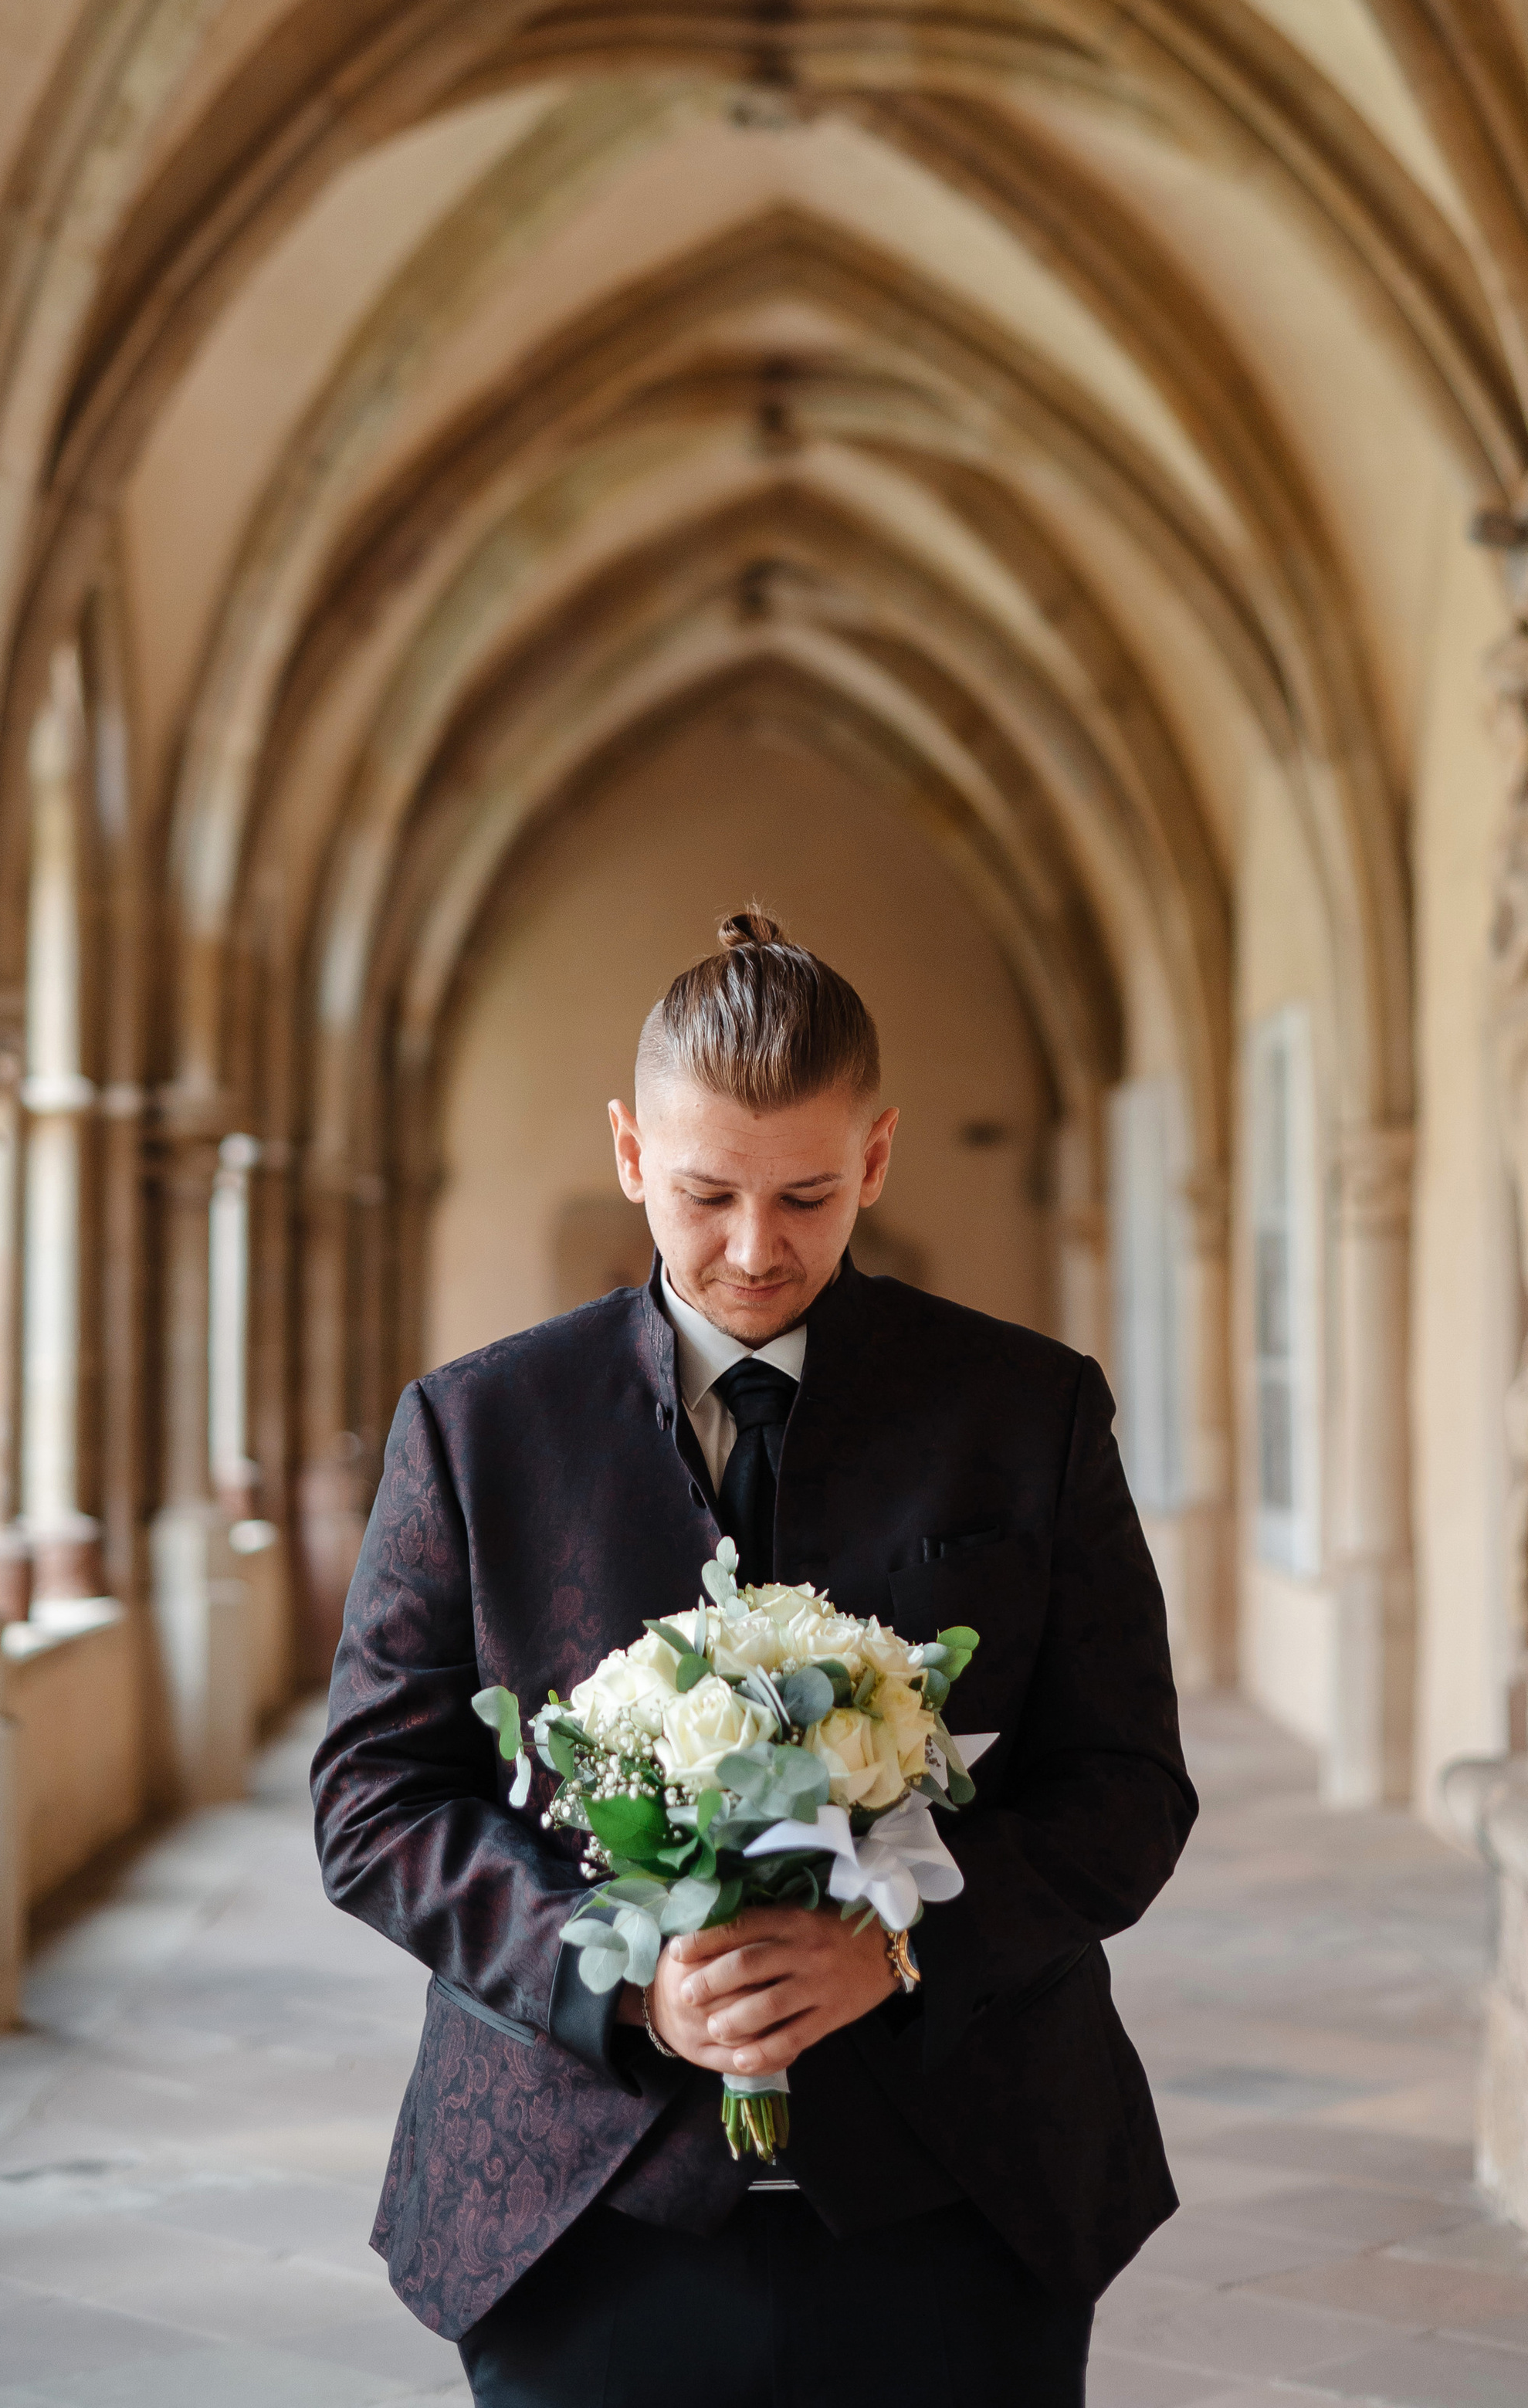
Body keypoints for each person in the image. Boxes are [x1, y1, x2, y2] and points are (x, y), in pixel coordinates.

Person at [312, 906, 1196, 2406]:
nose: (751, 1248)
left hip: (961, 2191)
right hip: (574, 2206)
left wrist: (896, 1949)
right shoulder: (473, 1432)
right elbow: (374, 1802)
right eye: (705, 1190)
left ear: (875, 1156)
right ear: (627, 1153)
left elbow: (1124, 1784)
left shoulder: (1028, 1411)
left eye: (803, 1194)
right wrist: (624, 1980)